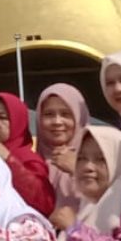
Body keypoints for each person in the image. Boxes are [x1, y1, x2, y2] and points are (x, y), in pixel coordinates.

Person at [0, 91, 56, 217]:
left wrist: (10, 161)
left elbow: (45, 203)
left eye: (2, 117)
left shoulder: (28, 160)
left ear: (17, 123)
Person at [35, 84, 90, 215]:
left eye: (65, 114)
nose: (57, 121)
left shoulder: (98, 161)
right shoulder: (31, 165)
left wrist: (77, 170)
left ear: (79, 117)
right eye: (49, 114)